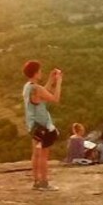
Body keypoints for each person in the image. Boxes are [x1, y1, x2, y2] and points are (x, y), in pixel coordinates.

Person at [22, 60, 62, 191]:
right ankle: (44, 182)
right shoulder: (37, 89)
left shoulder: (28, 86)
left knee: (36, 154)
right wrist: (59, 82)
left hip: (33, 126)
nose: (41, 72)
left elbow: (42, 93)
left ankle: (36, 181)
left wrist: (51, 80)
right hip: (43, 127)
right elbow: (55, 98)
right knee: (44, 155)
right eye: (40, 70)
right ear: (35, 72)